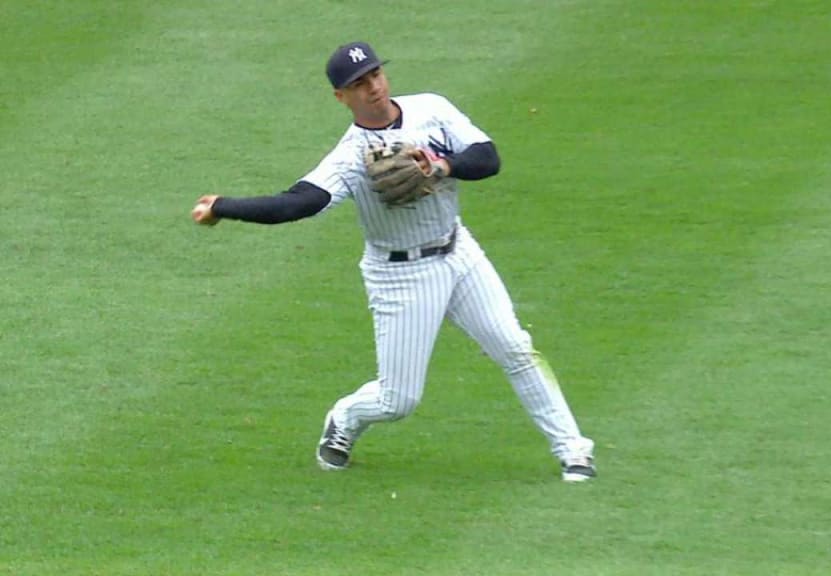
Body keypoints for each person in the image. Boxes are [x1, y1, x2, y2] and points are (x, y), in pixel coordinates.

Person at [190, 41, 595, 482]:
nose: (374, 88)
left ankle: (573, 449)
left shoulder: (431, 109)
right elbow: (297, 204)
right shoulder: (349, 157)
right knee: (397, 400)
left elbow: (487, 158)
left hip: (460, 253)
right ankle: (344, 418)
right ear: (341, 97)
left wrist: (441, 166)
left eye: (376, 76)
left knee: (515, 347)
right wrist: (223, 206)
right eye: (359, 85)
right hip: (401, 275)